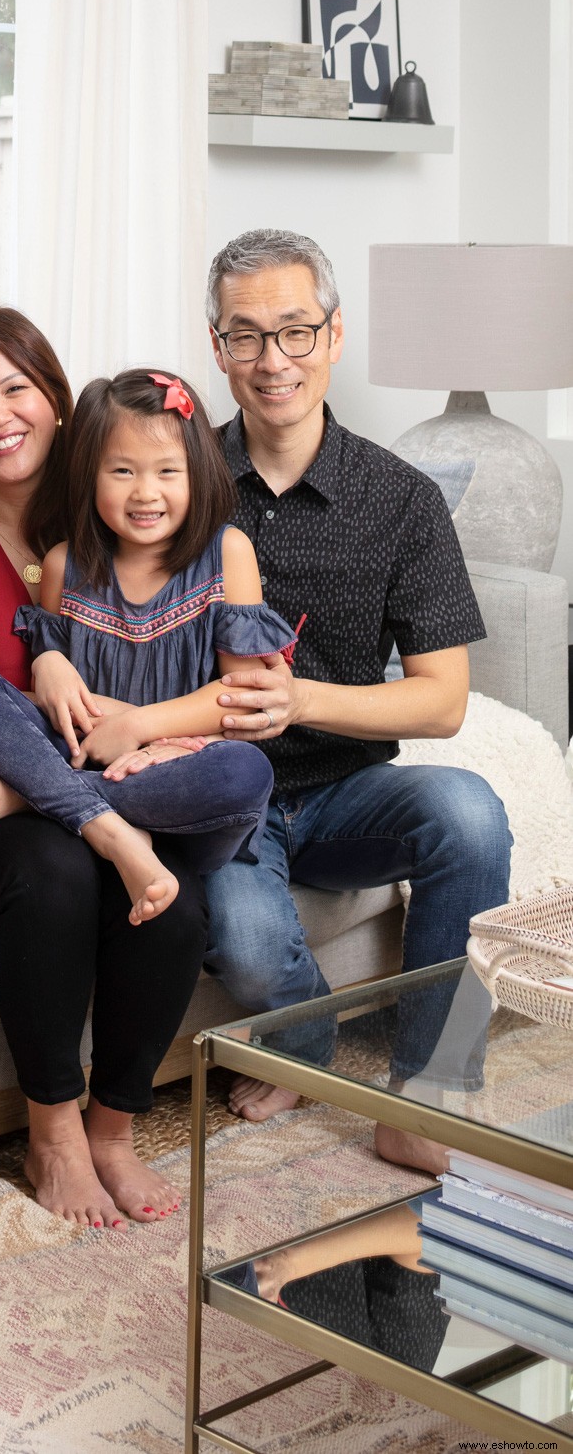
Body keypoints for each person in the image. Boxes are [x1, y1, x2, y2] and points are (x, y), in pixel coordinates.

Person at [202, 228, 511, 1171]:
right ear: (216, 346)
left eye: (295, 331)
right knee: (249, 947)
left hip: (345, 793)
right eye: (246, 335)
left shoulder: (402, 498)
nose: (272, 360)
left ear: (335, 336)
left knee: (474, 814)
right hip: (222, 803)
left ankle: (429, 1088)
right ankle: (306, 1047)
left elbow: (442, 700)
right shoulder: (181, 483)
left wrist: (299, 702)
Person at [0, 309, 209, 1232]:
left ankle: (113, 1128)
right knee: (52, 869)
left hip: (94, 784)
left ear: (55, 397)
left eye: (16, 389)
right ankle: (52, 1129)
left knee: (173, 904)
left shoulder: (114, 519)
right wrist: (36, 670)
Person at [0, 367, 293, 913]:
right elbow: (62, 714)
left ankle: (39, 801)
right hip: (84, 755)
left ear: (197, 473)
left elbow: (242, 699)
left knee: (248, 773)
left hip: (182, 783)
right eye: (122, 471)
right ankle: (91, 812)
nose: (145, 493)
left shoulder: (228, 554)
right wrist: (48, 663)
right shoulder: (63, 567)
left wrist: (139, 726)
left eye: (167, 471)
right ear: (90, 475)